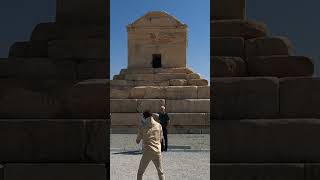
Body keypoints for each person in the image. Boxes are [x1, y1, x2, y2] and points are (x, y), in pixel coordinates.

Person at [136, 110, 165, 180]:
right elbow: (161, 139)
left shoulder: (143, 126)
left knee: (140, 172)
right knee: (161, 172)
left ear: (144, 117)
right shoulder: (159, 125)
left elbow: (137, 141)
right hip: (157, 151)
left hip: (147, 151)